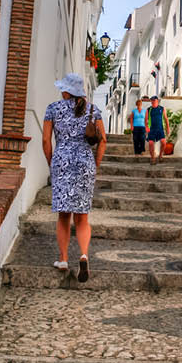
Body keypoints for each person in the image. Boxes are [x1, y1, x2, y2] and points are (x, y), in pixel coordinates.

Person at [42, 73, 106, 282]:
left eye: (63, 88)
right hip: (85, 163)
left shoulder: (53, 108)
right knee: (82, 216)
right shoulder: (92, 110)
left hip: (62, 162)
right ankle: (84, 255)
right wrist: (95, 163)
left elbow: (45, 140)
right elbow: (102, 140)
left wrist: (52, 162)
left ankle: (62, 258)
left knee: (63, 215)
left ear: (67, 90)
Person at [145, 95, 169, 165]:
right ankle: (153, 158)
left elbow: (166, 119)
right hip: (151, 129)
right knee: (151, 143)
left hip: (160, 129)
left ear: (157, 101)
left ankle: (160, 155)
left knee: (164, 143)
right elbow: (146, 119)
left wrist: (168, 128)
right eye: (151, 101)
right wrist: (146, 127)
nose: (152, 102)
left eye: (154, 100)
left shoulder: (162, 109)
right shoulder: (149, 109)